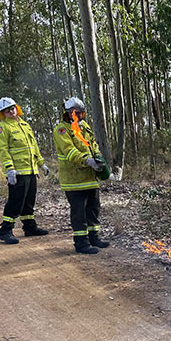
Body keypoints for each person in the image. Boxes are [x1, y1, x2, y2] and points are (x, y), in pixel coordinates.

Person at [53, 96, 110, 254]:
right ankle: (81, 244)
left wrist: (98, 162)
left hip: (90, 178)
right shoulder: (61, 130)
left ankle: (94, 238)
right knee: (79, 213)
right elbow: (70, 152)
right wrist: (87, 161)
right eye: (77, 113)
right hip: (74, 180)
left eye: (82, 114)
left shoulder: (84, 127)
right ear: (69, 113)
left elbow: (94, 146)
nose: (80, 117)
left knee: (93, 209)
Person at [0, 97, 50, 244]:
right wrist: (9, 170)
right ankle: (6, 231)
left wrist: (41, 164)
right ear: (3, 114)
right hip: (17, 172)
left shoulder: (25, 125)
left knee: (29, 202)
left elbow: (34, 147)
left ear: (16, 108)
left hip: (31, 170)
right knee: (15, 202)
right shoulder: (2, 127)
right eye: (7, 111)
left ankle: (30, 227)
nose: (11, 112)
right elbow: (3, 150)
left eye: (12, 108)